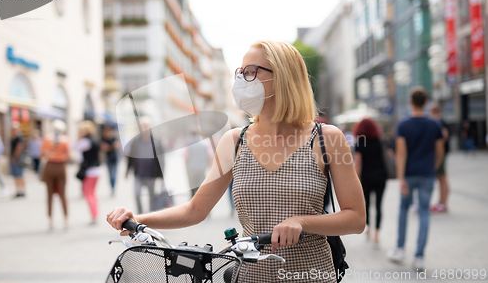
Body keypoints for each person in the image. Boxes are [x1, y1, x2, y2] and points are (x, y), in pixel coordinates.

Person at [108, 40, 366, 282]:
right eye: (239, 72)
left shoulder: (326, 138)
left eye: (251, 72)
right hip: (249, 276)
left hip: (310, 275)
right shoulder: (234, 141)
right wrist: (139, 219)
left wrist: (301, 221)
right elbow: (195, 210)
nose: (241, 80)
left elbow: (355, 218)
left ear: (283, 77)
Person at [388, 86, 444, 272]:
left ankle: (400, 249)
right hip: (427, 173)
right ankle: (419, 257)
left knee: (404, 209)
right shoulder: (435, 124)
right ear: (426, 102)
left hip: (409, 174)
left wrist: (401, 177)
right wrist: (433, 169)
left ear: (410, 102)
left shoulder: (403, 125)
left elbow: (401, 153)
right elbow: (439, 151)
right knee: (424, 212)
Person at [353, 118, 388, 246]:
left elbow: (358, 164)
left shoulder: (359, 143)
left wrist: (356, 180)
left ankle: (368, 228)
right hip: (380, 177)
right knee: (379, 206)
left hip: (366, 179)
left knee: (366, 204)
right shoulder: (379, 141)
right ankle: (377, 233)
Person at [125, 116, 169, 214]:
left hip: (151, 174)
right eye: (141, 126)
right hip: (138, 174)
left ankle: (150, 215)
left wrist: (162, 175)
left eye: (145, 126)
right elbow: (130, 157)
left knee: (152, 197)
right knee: (136, 194)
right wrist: (127, 171)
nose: (143, 128)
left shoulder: (157, 142)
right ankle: (140, 215)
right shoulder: (135, 141)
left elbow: (162, 159)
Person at [40, 120, 70, 230]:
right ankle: (66, 220)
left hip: (50, 166)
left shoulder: (47, 138)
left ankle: (50, 220)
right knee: (62, 194)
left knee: (49, 194)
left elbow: (42, 154)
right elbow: (68, 155)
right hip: (61, 167)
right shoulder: (65, 139)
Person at [73, 120, 101, 224]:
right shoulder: (94, 140)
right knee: (92, 194)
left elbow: (73, 147)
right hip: (97, 170)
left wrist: (78, 138)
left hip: (90, 171)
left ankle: (94, 215)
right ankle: (95, 214)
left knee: (88, 194)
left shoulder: (85, 141)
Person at [429, 102, 450, 213]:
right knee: (441, 178)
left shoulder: (439, 122)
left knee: (442, 177)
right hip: (440, 153)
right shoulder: (440, 122)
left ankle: (443, 203)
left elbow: (444, 135)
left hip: (440, 154)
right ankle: (441, 202)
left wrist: (437, 146)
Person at [183, 129, 213, 197]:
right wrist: (209, 166)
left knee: (192, 186)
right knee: (201, 186)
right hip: (202, 168)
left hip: (191, 168)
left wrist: (186, 167)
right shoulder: (205, 143)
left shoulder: (188, 144)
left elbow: (185, 157)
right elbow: (209, 156)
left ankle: (193, 199)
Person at [101, 125, 119, 197]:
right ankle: (112, 188)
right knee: (110, 175)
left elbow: (116, 146)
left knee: (113, 175)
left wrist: (110, 147)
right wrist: (111, 147)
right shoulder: (104, 139)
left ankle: (113, 188)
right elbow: (104, 147)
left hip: (114, 159)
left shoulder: (114, 138)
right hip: (108, 159)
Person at [10, 121, 26, 198]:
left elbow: (19, 147)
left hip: (17, 159)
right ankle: (19, 190)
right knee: (18, 175)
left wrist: (15, 157)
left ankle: (21, 191)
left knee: (19, 175)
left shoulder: (18, 137)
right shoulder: (14, 137)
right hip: (16, 158)